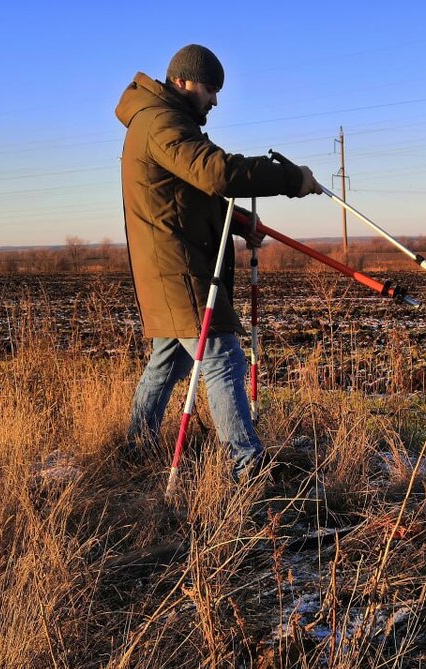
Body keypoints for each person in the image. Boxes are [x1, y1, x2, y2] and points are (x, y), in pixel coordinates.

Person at [116, 44, 321, 479]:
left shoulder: (164, 121)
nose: (215, 99)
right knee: (223, 357)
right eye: (211, 88)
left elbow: (189, 197)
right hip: (179, 268)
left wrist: (239, 222)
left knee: (170, 359)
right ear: (183, 81)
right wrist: (291, 178)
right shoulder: (161, 123)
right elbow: (218, 174)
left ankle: (135, 449)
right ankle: (247, 465)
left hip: (170, 266)